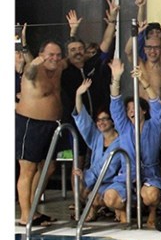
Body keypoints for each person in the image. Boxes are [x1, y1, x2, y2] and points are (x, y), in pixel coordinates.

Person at [111, 60, 161, 227]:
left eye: (135, 108)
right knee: (111, 198)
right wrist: (116, 79)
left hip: (149, 173)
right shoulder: (123, 127)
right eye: (129, 109)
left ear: (143, 110)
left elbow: (156, 104)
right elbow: (115, 104)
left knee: (151, 196)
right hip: (127, 174)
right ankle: (124, 212)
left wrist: (144, 81)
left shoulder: (154, 126)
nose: (131, 111)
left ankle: (152, 212)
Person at [15, 40, 64, 227]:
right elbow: (29, 71)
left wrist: (73, 32)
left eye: (58, 55)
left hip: (51, 125)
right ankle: (25, 215)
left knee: (48, 167)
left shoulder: (59, 67)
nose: (55, 58)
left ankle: (33, 209)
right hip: (30, 123)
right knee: (27, 170)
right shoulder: (34, 70)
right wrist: (32, 62)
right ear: (41, 55)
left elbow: (74, 58)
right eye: (50, 55)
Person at [71, 79, 129, 222]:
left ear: (112, 121)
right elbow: (82, 118)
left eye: (104, 119)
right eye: (98, 120)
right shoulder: (96, 137)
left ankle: (118, 209)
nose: (101, 123)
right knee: (78, 179)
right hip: (96, 182)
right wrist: (78, 94)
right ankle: (94, 208)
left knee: (110, 196)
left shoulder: (123, 139)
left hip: (115, 183)